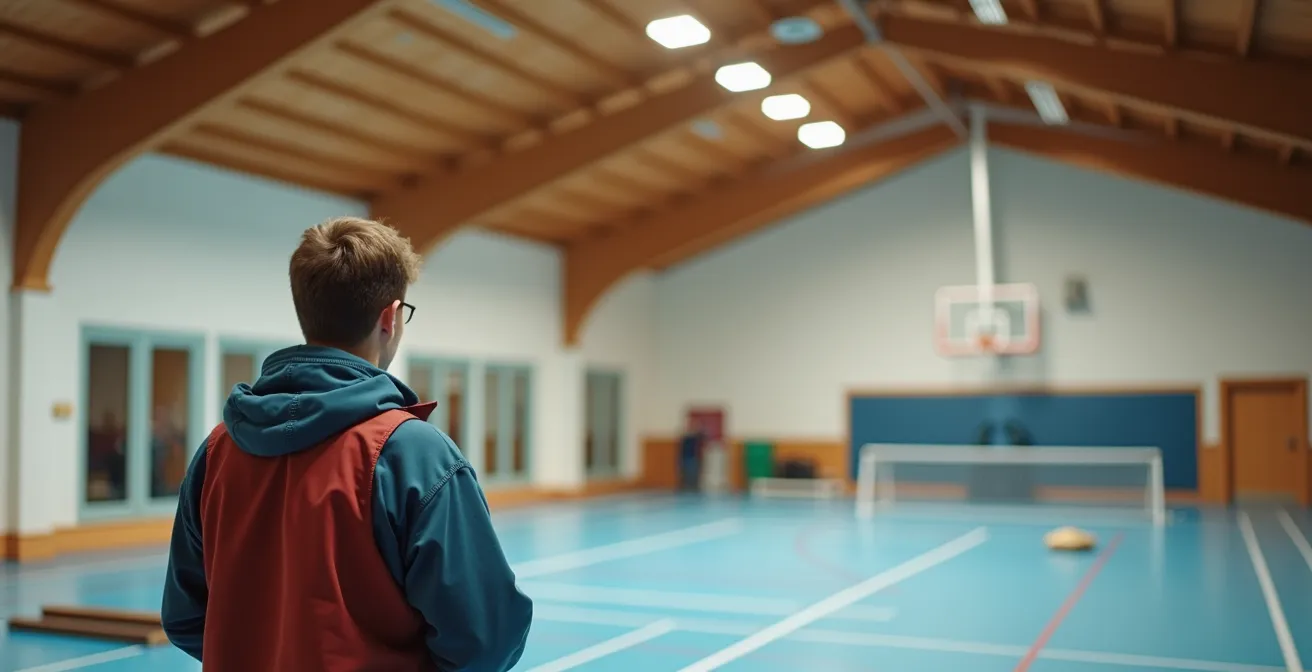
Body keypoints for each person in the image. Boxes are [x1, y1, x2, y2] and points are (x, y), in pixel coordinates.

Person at [161, 217, 533, 671]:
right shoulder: (413, 454)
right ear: (390, 317)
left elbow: (185, 616)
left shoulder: (218, 450)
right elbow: (485, 639)